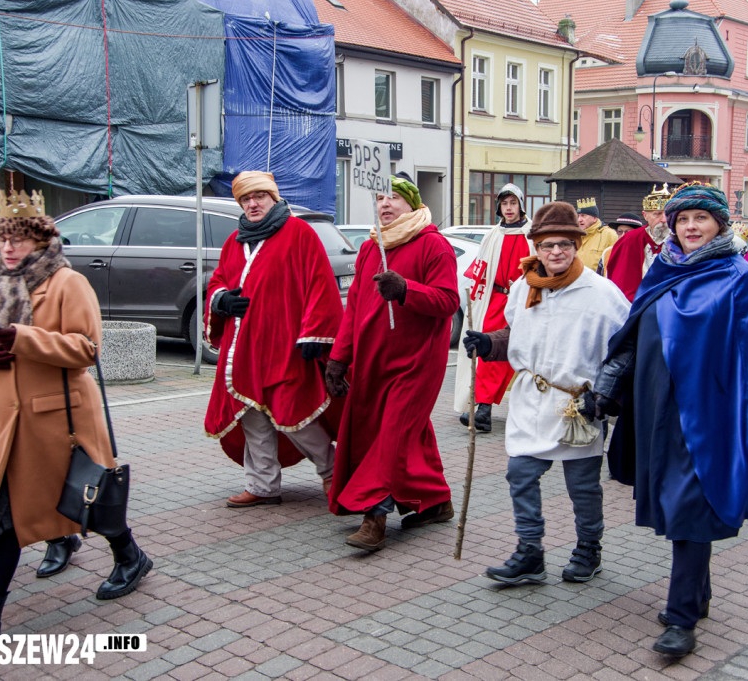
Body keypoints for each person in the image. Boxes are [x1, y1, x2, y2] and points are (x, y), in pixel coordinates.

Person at [0, 190, 152, 640]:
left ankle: (130, 555)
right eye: (3, 240)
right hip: (6, 421)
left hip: (59, 420)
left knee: (87, 499)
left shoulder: (67, 282)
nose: (9, 248)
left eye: (19, 239)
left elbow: (86, 349)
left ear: (39, 240)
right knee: (4, 516)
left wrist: (20, 338)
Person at [595, 182, 748, 657]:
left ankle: (681, 620)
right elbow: (634, 334)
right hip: (657, 411)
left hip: (711, 416)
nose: (690, 226)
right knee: (680, 505)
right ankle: (697, 595)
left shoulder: (741, 276)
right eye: (682, 219)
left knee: (693, 507)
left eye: (700, 218)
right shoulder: (663, 268)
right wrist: (606, 384)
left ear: (720, 223)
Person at [463, 202, 630, 585]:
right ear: (535, 247)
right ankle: (530, 552)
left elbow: (626, 350)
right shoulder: (523, 288)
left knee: (582, 486)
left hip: (577, 403)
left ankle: (589, 548)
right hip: (531, 398)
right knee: (520, 474)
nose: (556, 252)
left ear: (576, 244)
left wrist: (605, 396)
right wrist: (489, 344)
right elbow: (514, 336)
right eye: (547, 244)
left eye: (565, 244)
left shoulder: (602, 293)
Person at [324, 173, 458, 552]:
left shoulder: (434, 245)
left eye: (394, 198)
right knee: (406, 433)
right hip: (373, 362)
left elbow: (448, 301)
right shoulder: (370, 248)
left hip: (416, 364)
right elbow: (356, 311)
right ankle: (436, 502)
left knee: (392, 433)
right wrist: (338, 357)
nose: (384, 204)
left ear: (412, 204)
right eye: (380, 197)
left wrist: (405, 290)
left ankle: (375, 516)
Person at [204, 171, 342, 508]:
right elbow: (218, 279)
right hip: (245, 348)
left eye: (259, 197)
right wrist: (221, 299)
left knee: (295, 414)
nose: (252, 204)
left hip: (286, 345)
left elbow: (320, 284)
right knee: (250, 414)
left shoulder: (299, 233)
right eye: (245, 199)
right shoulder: (235, 240)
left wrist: (315, 333)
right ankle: (263, 485)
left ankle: (333, 473)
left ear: (274, 198)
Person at [455, 184, 532, 432]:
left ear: (521, 205)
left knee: (520, 353)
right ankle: (483, 408)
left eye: (513, 203)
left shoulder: (532, 234)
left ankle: (489, 407)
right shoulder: (493, 234)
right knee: (488, 348)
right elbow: (482, 268)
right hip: (496, 299)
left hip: (525, 301)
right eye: (504, 204)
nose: (508, 209)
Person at [605, 184, 673, 301]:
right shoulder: (629, 240)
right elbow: (619, 281)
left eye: (667, 214)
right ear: (645, 215)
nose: (663, 220)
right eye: (657, 214)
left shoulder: (681, 240)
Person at [574, 197, 617, 272]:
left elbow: (616, 262)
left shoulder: (609, 235)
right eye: (578, 216)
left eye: (583, 215)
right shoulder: (574, 236)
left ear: (594, 218)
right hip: (576, 280)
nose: (579, 220)